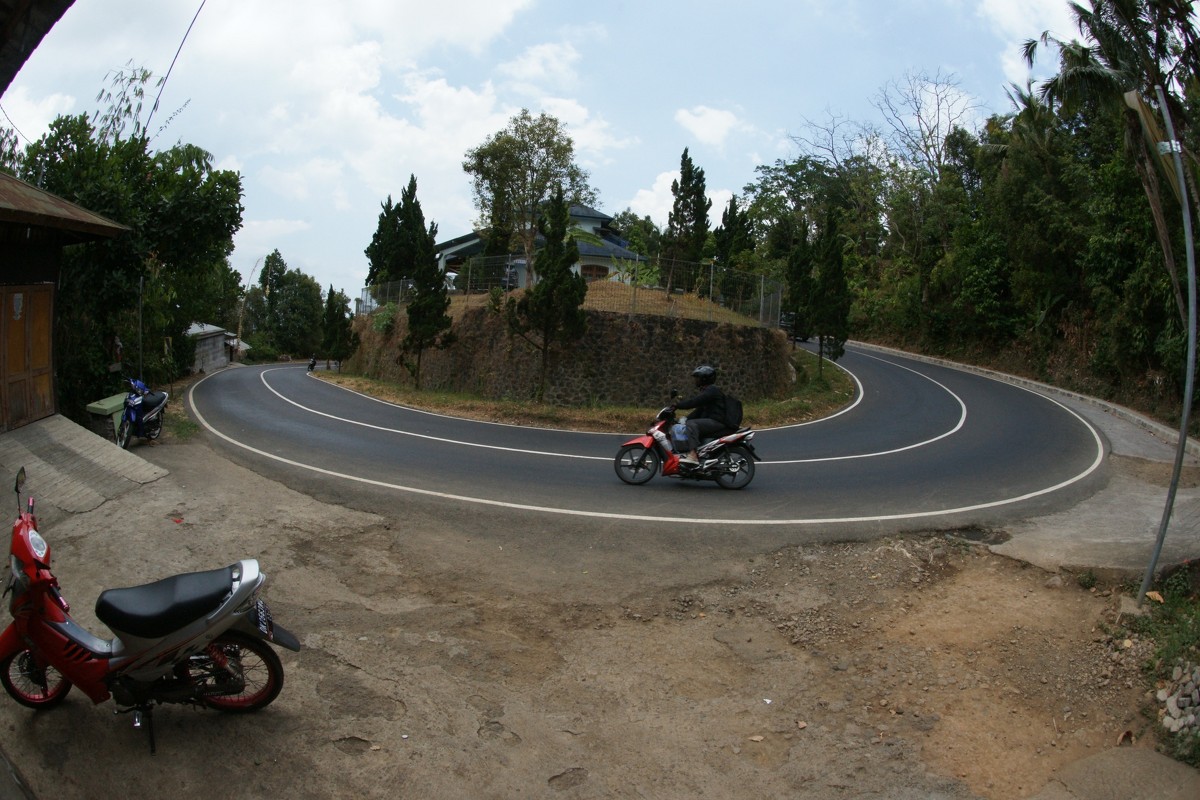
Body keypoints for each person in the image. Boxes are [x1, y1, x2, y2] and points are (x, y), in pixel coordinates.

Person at [672, 365, 728, 466]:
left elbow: (695, 402)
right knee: (687, 423)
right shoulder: (707, 391)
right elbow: (699, 410)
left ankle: (693, 455)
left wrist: (678, 405)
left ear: (704, 378)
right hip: (712, 420)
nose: (696, 380)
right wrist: (684, 419)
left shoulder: (712, 390)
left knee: (691, 425)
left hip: (717, 421)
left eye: (697, 377)